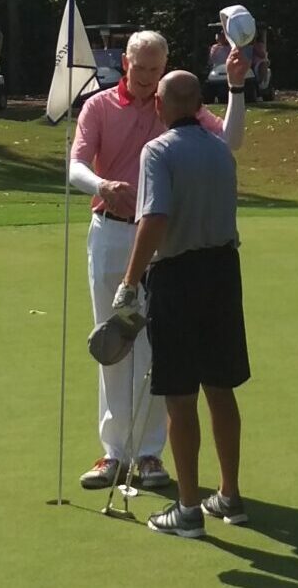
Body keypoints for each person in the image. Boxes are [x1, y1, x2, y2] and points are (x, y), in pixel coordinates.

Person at [69, 31, 250, 494]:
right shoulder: (99, 105)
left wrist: (234, 88)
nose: (148, 78)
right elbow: (75, 165)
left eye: (156, 68)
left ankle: (148, 453)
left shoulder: (176, 105)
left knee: (156, 349)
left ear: (166, 65)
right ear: (125, 63)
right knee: (110, 339)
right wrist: (101, 185)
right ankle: (114, 453)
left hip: (162, 244)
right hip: (110, 229)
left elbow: (228, 140)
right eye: (141, 68)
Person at [116, 70, 252, 538]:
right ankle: (230, 496)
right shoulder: (219, 150)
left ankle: (189, 508)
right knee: (221, 387)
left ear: (164, 104)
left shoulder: (157, 150)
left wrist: (130, 281)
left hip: (177, 277)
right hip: (223, 273)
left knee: (180, 395)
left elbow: (154, 219)